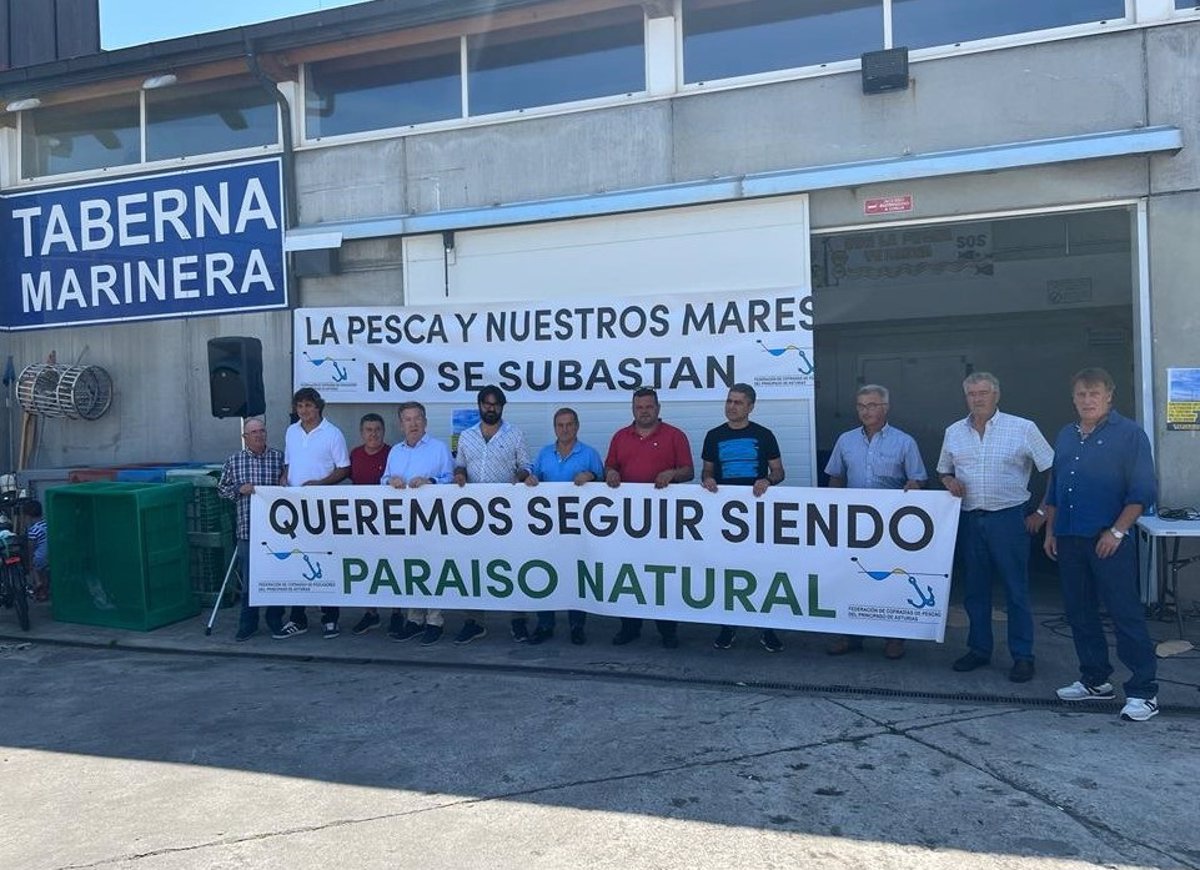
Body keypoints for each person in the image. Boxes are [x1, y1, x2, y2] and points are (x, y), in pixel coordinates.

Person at [1043, 368, 1159, 721]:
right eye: (1081, 394)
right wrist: (1051, 531)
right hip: (1069, 538)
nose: (1088, 400)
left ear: (1109, 395)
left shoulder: (1130, 435)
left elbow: (1142, 491)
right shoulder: (1066, 435)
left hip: (1108, 540)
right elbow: (1055, 487)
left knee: (1125, 615)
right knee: (1079, 613)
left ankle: (1143, 692)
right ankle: (1095, 679)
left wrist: (1118, 532)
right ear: (1073, 398)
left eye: (1094, 394)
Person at [937, 372, 1053, 682]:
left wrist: (1041, 513)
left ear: (996, 395)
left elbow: (1054, 470)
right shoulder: (954, 432)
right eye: (972, 394)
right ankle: (978, 649)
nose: (977, 398)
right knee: (975, 591)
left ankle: (1023, 655)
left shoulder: (1023, 428)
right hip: (971, 519)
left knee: (1016, 590)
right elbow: (943, 470)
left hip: (1009, 518)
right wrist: (949, 480)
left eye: (983, 393)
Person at [823, 384, 927, 660]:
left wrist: (914, 487)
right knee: (851, 578)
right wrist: (832, 510)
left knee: (891, 578)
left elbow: (918, 479)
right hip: (853, 523)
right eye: (860, 406)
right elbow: (835, 477)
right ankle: (850, 635)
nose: (865, 411)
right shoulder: (845, 440)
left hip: (891, 526)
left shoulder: (905, 442)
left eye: (871, 405)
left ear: (885, 408)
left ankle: (894, 638)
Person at [605, 387, 694, 648]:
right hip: (629, 521)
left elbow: (689, 471)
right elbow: (610, 465)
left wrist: (672, 474)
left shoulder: (675, 435)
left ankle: (668, 630)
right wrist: (610, 473)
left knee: (662, 574)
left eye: (649, 406)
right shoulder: (621, 436)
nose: (644, 411)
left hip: (664, 521)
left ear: (658, 408)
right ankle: (630, 627)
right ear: (633, 409)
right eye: (639, 407)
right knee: (629, 572)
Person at [700, 384, 786, 652]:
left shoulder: (764, 435)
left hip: (757, 515)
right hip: (724, 517)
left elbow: (779, 471)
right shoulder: (713, 436)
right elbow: (706, 472)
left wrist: (768, 480)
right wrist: (708, 480)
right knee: (727, 571)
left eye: (738, 402)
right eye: (729, 401)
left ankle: (766, 628)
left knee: (759, 570)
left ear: (751, 406)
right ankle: (728, 627)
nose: (731, 406)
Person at [452, 385, 532, 644]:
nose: (491, 408)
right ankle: (474, 621)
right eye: (486, 403)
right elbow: (460, 465)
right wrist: (460, 475)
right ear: (479, 406)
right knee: (474, 565)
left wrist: (517, 478)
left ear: (502, 407)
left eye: (496, 404)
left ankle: (518, 620)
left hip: (506, 513)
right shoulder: (465, 436)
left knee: (510, 563)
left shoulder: (515, 434)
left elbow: (526, 466)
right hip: (473, 514)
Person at [274, 387, 351, 640]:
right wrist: (285, 476)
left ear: (318, 406)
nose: (303, 411)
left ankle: (330, 617)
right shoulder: (291, 431)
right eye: (299, 406)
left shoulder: (333, 434)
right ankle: (298, 618)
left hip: (322, 506)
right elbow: (289, 461)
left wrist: (321, 485)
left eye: (308, 405)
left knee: (325, 560)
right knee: (298, 560)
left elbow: (344, 468)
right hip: (295, 508)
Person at [524, 407, 605, 645]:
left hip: (579, 528)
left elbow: (604, 486)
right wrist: (530, 480)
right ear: (554, 428)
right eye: (560, 425)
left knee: (576, 574)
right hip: (547, 529)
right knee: (544, 574)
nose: (565, 429)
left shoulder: (589, 454)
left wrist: (591, 476)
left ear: (577, 426)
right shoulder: (544, 454)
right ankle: (545, 624)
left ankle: (577, 625)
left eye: (569, 424)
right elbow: (534, 478)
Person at [380, 401, 455, 645]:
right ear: (401, 425)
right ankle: (414, 619)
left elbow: (450, 480)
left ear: (425, 422)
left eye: (417, 418)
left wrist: (430, 481)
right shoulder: (396, 452)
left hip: (432, 519)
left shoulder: (439, 448)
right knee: (410, 568)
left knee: (433, 567)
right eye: (408, 420)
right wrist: (391, 481)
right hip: (403, 521)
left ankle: (434, 620)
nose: (413, 424)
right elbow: (383, 479)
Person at [217, 416, 285, 642]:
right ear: (245, 437)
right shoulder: (234, 461)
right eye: (253, 432)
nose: (259, 435)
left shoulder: (278, 458)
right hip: (248, 531)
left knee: (276, 577)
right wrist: (239, 490)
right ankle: (248, 623)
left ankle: (275, 620)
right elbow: (222, 490)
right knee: (249, 580)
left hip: (276, 532)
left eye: (262, 431)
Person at [349, 414, 392, 637]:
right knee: (366, 567)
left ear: (383, 431)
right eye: (368, 430)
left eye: (377, 429)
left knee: (392, 566)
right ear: (361, 433)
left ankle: (396, 613)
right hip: (362, 523)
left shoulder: (393, 453)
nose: (373, 434)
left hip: (390, 523)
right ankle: (371, 613)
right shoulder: (354, 455)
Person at [21, 500, 50, 603]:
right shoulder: (47, 525)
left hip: (40, 556)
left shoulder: (33, 530)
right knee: (45, 573)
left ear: (27, 516)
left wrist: (29, 562)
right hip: (51, 555)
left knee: (34, 566)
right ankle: (45, 593)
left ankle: (38, 583)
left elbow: (31, 547)